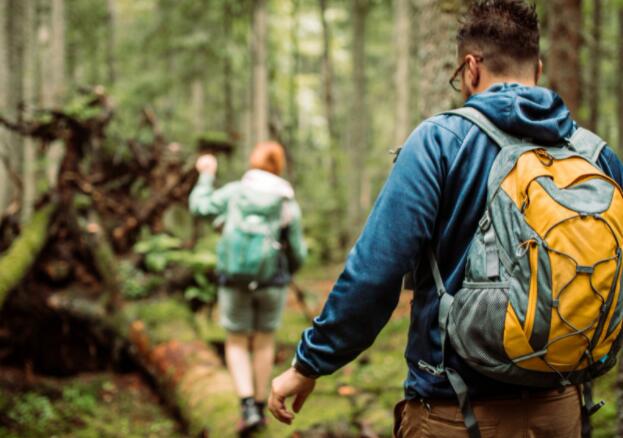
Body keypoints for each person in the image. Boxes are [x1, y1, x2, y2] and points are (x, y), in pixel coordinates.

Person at [268, 1, 623, 437]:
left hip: (456, 412)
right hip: (562, 410)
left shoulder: (441, 141)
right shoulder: (596, 155)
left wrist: (309, 364)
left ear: (471, 68)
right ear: (538, 67)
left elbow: (375, 272)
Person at [189, 141, 306, 434]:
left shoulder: (235, 192)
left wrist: (205, 174)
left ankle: (246, 408)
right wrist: (287, 270)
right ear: (279, 166)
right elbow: (297, 251)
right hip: (271, 283)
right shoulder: (285, 201)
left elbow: (199, 206)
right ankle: (261, 404)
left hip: (234, 281)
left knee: (237, 341)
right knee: (264, 342)